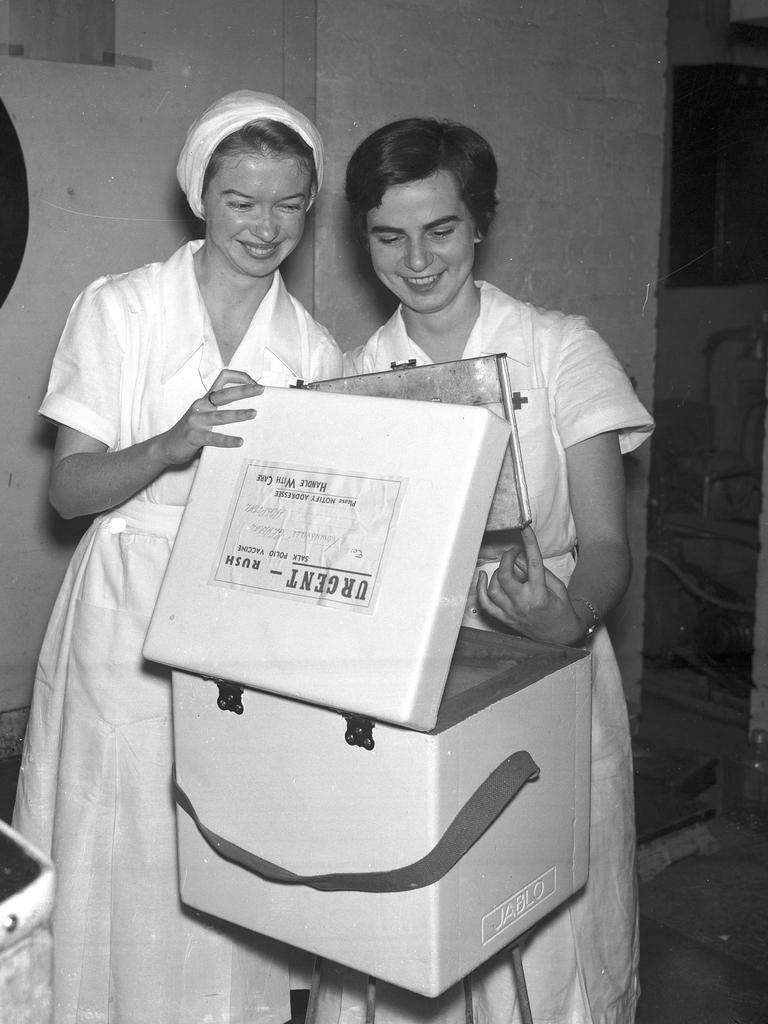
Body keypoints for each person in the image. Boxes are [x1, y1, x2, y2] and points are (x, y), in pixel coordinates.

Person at [312, 119, 654, 1023]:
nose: (417, 259)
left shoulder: (558, 348)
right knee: (417, 929)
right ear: (363, 238)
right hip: (416, 686)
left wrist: (569, 618)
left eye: (442, 229)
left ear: (480, 225)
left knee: (547, 930)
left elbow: (608, 545)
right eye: (389, 234)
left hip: (553, 662)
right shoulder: (358, 376)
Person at [12, 90, 341, 1024]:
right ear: (202, 195)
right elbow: (68, 493)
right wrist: (168, 443)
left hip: (243, 618)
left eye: (288, 204)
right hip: (125, 607)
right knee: (124, 836)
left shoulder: (310, 347)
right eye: (242, 200)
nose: (265, 226)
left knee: (226, 836)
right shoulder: (120, 309)